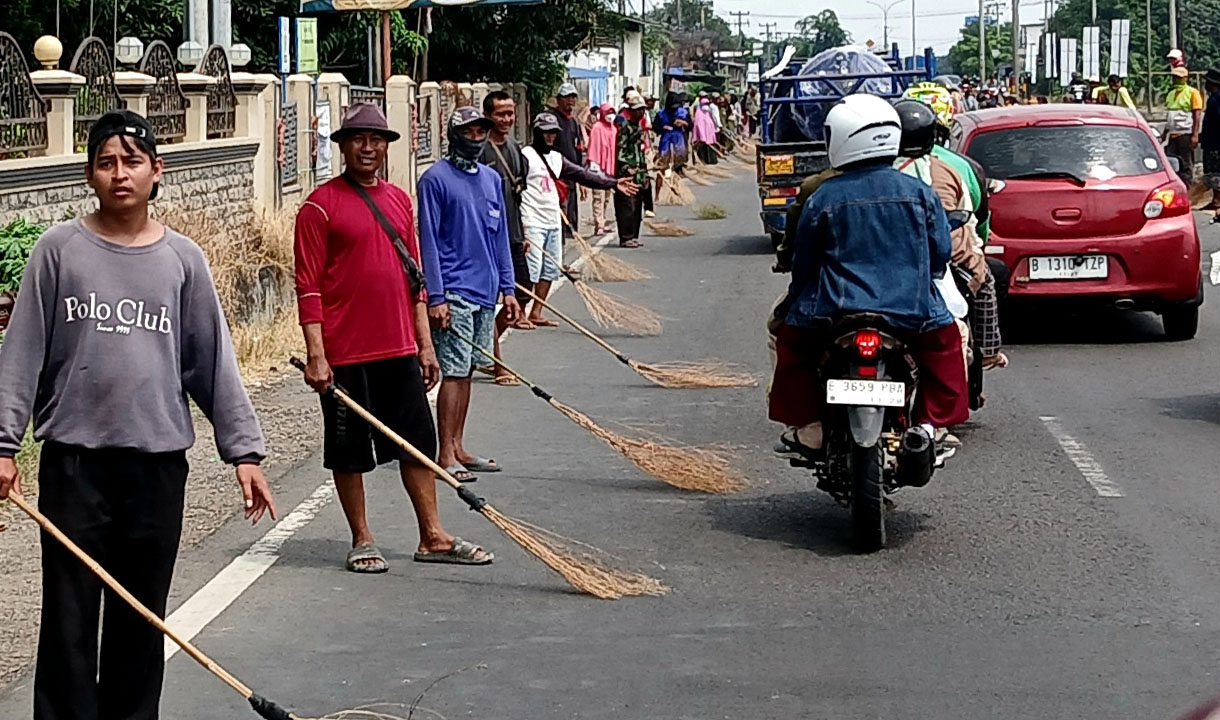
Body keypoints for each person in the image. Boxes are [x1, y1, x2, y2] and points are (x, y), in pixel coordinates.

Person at [0, 109, 276, 720]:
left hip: (156, 468)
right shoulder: (58, 251)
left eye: (132, 161)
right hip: (75, 466)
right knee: (69, 617)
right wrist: (2, 445)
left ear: (158, 171)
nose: (119, 175)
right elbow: (21, 353)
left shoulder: (183, 259)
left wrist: (246, 452)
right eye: (105, 162)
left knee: (140, 613)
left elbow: (212, 361)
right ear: (89, 174)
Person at [296, 103, 492, 570]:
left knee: (418, 444)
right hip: (345, 355)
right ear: (342, 146)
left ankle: (433, 534)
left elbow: (415, 280)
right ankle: (362, 537)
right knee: (348, 450)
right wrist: (316, 356)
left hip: (399, 347)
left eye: (377, 140)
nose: (368, 147)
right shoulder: (318, 207)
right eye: (359, 139)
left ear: (386, 148)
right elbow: (308, 287)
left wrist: (425, 344)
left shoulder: (400, 201)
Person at [768, 94, 969, 458]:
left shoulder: (822, 196)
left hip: (833, 309)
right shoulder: (919, 193)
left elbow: (805, 261)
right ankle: (931, 425)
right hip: (912, 310)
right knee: (946, 344)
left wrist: (797, 302)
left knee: (792, 344)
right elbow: (940, 255)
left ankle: (811, 428)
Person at [418, 107, 523, 483]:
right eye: (469, 132)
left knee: (468, 373)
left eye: (481, 131)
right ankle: (445, 453)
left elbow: (499, 238)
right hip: (455, 291)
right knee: (454, 372)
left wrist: (508, 289)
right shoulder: (434, 180)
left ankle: (460, 444)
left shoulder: (492, 180)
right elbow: (428, 241)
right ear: (454, 134)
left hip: (485, 291)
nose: (476, 138)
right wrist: (436, 296)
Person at [520, 111, 636, 324]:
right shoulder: (525, 156)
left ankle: (536, 312)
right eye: (545, 133)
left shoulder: (556, 158)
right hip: (531, 221)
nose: (550, 137)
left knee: (550, 269)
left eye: (553, 133)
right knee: (531, 271)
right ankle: (519, 313)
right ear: (537, 132)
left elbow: (583, 175)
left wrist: (613, 183)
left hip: (553, 221)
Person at [480, 90, 535, 388]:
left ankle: (484, 347)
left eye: (510, 113)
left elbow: (518, 194)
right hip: (487, 238)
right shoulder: (480, 151)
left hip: (512, 235)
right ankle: (496, 362)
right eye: (500, 114)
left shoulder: (515, 149)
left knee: (523, 293)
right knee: (491, 302)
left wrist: (523, 231)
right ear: (488, 116)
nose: (507, 119)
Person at [615, 92, 652, 248]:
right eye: (638, 110)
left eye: (643, 110)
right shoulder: (625, 127)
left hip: (639, 171)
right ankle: (626, 237)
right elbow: (620, 150)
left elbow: (641, 151)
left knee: (637, 205)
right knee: (627, 206)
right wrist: (626, 167)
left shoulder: (639, 128)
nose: (641, 113)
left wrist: (644, 172)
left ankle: (634, 235)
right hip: (627, 172)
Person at [551, 83, 586, 238]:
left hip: (571, 174)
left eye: (573, 97)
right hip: (556, 175)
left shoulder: (573, 122)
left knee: (570, 215)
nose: (571, 100)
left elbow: (577, 150)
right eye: (567, 97)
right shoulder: (552, 119)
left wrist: (582, 177)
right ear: (559, 99)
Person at [1165, 66, 1205, 187]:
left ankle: (1187, 189)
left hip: (1185, 134)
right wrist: (1164, 133)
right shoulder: (1171, 94)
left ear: (1185, 78)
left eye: (1179, 78)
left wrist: (1195, 135)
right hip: (1173, 134)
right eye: (1174, 77)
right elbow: (1170, 115)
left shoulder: (1193, 93)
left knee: (1186, 164)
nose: (1176, 80)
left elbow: (1197, 115)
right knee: (1171, 163)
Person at [587, 102, 619, 235]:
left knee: (606, 197)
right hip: (598, 167)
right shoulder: (597, 128)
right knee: (598, 197)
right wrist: (594, 164)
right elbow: (593, 147)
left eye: (612, 112)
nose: (610, 116)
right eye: (608, 112)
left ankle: (603, 220)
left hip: (610, 168)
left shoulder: (613, 129)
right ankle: (598, 223)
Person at [654, 91, 691, 172]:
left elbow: (690, 126)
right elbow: (655, 127)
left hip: (678, 139)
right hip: (666, 140)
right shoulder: (660, 114)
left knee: (679, 159)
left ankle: (678, 170)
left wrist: (683, 123)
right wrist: (663, 128)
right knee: (664, 160)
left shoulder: (683, 113)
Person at [1203, 68, 1220, 212]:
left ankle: (1217, 200)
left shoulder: (1217, 99)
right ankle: (1215, 198)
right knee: (1211, 171)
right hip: (1211, 140)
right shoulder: (1213, 98)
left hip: (1216, 142)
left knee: (1215, 172)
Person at [692, 93, 719, 165]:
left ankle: (705, 160)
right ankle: (710, 160)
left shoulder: (700, 110)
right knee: (709, 145)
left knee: (705, 146)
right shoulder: (708, 110)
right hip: (708, 131)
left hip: (705, 132)